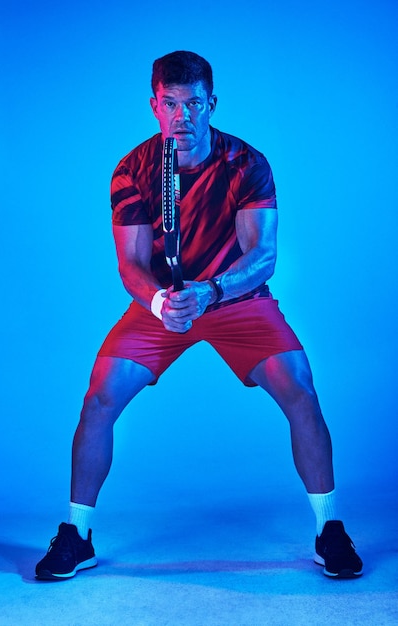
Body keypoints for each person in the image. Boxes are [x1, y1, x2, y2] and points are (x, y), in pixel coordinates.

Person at [35, 50, 363, 581]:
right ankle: (78, 534)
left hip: (237, 302)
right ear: (154, 106)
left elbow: (263, 257)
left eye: (193, 104)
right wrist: (162, 301)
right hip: (162, 307)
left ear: (211, 104)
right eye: (170, 104)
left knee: (301, 389)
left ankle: (330, 530)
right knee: (98, 396)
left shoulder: (247, 163)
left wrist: (211, 291)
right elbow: (132, 264)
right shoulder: (133, 170)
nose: (182, 116)